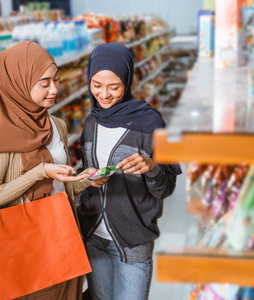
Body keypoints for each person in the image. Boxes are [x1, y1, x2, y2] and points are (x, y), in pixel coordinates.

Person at [0, 41, 106, 299]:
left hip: (64, 233)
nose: (54, 89)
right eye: (44, 83)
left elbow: (62, 183)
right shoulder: (2, 136)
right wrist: (40, 172)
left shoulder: (56, 125)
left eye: (55, 80)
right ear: (18, 84)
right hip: (27, 247)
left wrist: (86, 180)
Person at [78, 42, 182, 300]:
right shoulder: (91, 122)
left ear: (127, 80)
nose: (104, 95)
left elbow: (166, 188)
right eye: (96, 85)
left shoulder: (149, 123)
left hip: (132, 240)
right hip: (93, 237)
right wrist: (86, 177)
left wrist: (152, 168)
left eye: (114, 87)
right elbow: (85, 169)